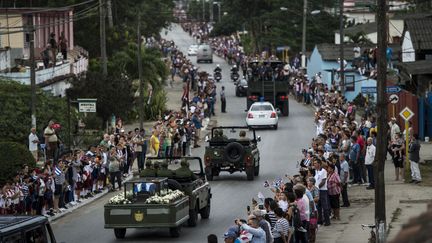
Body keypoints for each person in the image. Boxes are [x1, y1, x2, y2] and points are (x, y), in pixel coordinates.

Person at [313, 159, 330, 226]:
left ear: (319, 164)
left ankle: (327, 221)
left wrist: (317, 187)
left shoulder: (323, 171)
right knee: (318, 206)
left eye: (315, 163)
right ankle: (320, 220)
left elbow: (323, 181)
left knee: (324, 206)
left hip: (322, 190)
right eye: (314, 163)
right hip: (317, 190)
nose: (314, 164)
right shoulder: (316, 171)